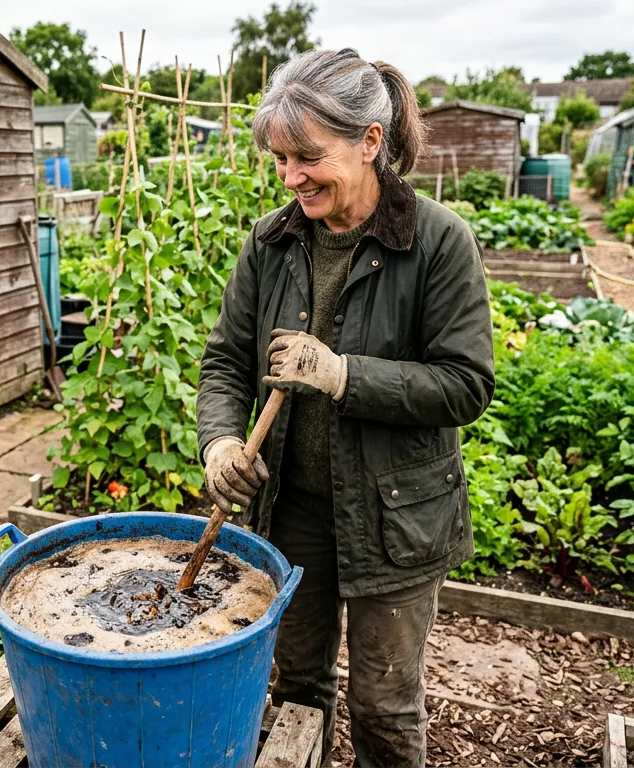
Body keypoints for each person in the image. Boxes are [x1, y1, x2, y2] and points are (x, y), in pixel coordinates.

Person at [196, 49, 495, 767]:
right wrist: (219, 444)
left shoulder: (438, 242)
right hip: (295, 511)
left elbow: (464, 385)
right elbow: (225, 364)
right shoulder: (272, 242)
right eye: (279, 159)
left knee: (384, 704)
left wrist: (340, 374)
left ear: (369, 142)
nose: (292, 176)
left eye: (307, 156)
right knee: (298, 683)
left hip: (397, 517)